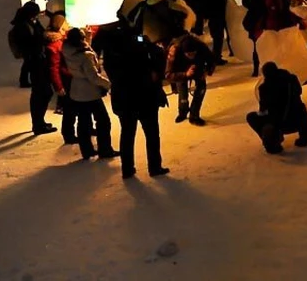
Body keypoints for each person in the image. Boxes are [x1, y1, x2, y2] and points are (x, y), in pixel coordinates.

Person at [92, 15, 170, 180]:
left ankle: (127, 169)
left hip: (124, 98)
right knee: (151, 133)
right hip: (145, 95)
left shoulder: (110, 56)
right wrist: (145, 42)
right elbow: (156, 52)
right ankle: (154, 166)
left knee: (127, 133)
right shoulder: (139, 47)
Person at [62, 28, 118, 160]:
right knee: (103, 121)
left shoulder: (68, 50)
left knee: (83, 121)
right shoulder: (86, 56)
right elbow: (93, 76)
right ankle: (105, 149)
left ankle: (86, 150)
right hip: (90, 91)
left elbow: (84, 49)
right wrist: (109, 84)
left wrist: (88, 37)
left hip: (77, 89)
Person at [10, 1, 57, 135]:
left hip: (38, 61)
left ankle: (39, 122)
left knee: (42, 92)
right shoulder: (23, 27)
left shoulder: (30, 22)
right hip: (36, 62)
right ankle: (38, 124)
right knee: (42, 93)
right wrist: (44, 41)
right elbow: (32, 43)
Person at [246, 62, 307, 154]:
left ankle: (272, 141)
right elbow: (299, 92)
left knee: (251, 117)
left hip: (279, 124)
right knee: (300, 107)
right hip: (298, 120)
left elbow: (263, 109)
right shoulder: (291, 79)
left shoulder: (264, 88)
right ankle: (304, 137)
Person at [166, 34, 216, 125]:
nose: (191, 56)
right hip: (180, 69)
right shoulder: (174, 50)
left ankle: (194, 115)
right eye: (189, 54)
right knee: (182, 92)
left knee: (201, 90)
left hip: (198, 67)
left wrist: (207, 71)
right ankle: (183, 112)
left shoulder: (201, 46)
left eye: (193, 53)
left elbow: (212, 60)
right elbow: (168, 75)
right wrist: (185, 74)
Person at [44, 11, 77, 144]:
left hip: (70, 78)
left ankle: (79, 130)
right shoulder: (55, 44)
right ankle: (68, 134)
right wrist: (58, 86)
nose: (68, 25)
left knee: (75, 107)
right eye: (65, 23)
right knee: (70, 108)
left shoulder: (62, 40)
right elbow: (54, 67)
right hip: (66, 80)